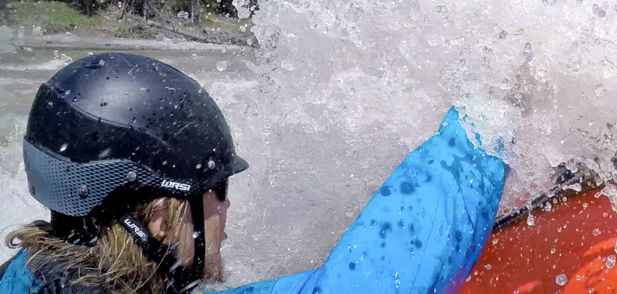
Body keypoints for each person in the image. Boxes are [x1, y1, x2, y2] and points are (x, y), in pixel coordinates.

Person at [0, 53, 506, 293]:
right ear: (159, 217)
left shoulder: (23, 275)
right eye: (216, 189)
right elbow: (380, 284)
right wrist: (491, 124)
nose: (226, 205)